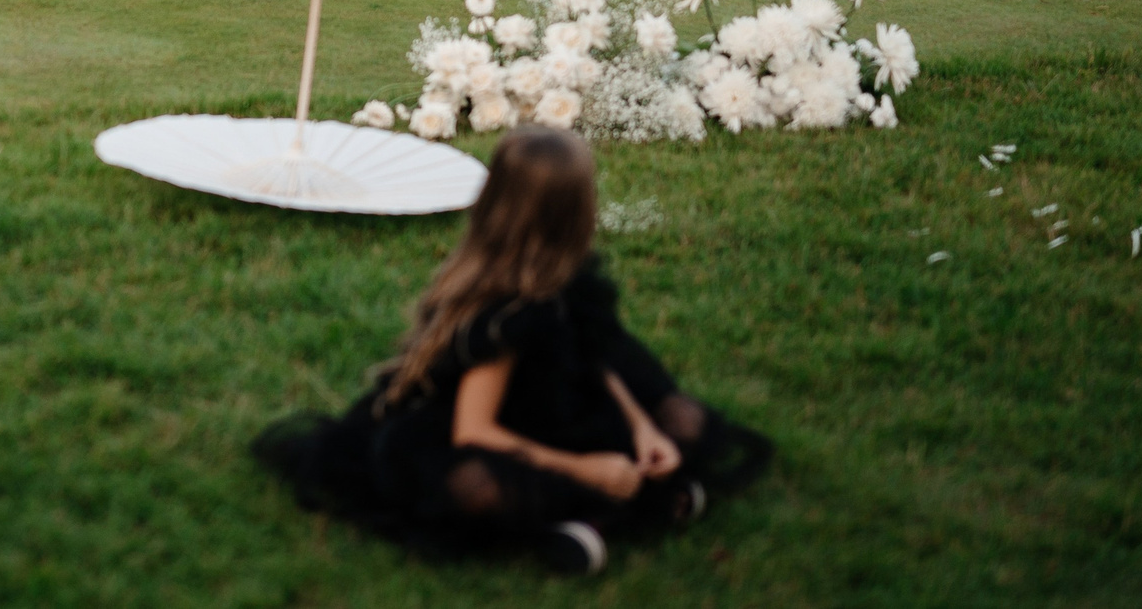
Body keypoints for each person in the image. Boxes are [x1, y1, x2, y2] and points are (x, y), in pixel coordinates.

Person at [253, 127, 771, 576]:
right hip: (492, 433)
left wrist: (640, 425)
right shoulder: (503, 318)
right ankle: (588, 516)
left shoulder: (569, 279)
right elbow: (473, 430)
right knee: (476, 490)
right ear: (575, 213)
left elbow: (597, 357)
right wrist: (584, 468)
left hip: (557, 406)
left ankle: (619, 499)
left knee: (683, 421)